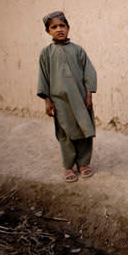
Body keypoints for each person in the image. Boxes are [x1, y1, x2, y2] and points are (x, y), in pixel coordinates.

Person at [37, 11, 97, 183]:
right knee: (65, 132)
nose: (59, 29)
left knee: (85, 130)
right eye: (54, 27)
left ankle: (84, 163)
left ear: (68, 28)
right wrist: (47, 101)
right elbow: (43, 77)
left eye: (62, 25)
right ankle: (69, 166)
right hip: (60, 101)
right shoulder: (46, 53)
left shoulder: (78, 51)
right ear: (48, 31)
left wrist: (89, 95)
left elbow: (89, 73)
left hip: (80, 99)